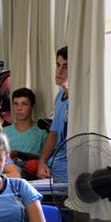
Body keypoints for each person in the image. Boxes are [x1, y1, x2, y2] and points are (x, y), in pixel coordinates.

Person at [37, 46, 69, 182]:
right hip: (51, 168)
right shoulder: (60, 96)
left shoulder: (82, 103)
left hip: (67, 174)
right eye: (57, 65)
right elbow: (53, 134)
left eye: (65, 66)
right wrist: (42, 162)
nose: (59, 71)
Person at [4, 88, 47, 172]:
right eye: (16, 104)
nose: (19, 108)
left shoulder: (42, 132)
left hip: (33, 178)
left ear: (32, 106)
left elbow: (45, 159)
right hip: (8, 178)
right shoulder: (3, 132)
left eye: (24, 104)